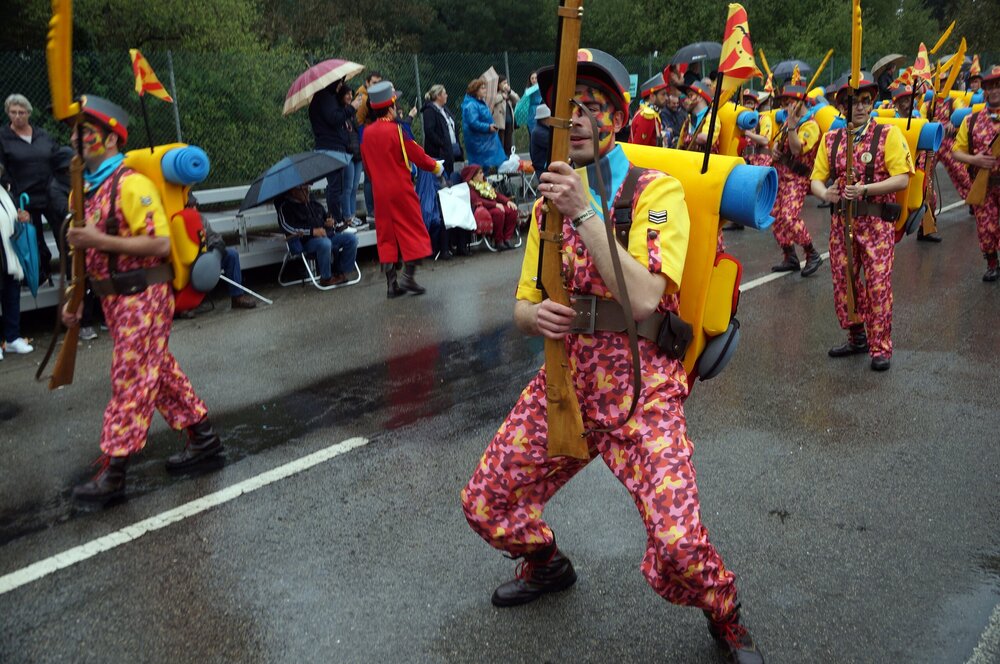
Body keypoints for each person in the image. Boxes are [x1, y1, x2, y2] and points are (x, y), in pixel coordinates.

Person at [460, 48, 764, 664]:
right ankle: (545, 562)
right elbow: (523, 303)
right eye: (562, 107)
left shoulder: (657, 192)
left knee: (679, 543)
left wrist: (585, 210)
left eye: (588, 106)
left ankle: (724, 614)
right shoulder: (546, 206)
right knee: (485, 503)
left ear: (618, 119)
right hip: (565, 383)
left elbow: (648, 295)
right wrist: (533, 317)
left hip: (641, 388)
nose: (572, 118)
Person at [59, 95, 224, 502]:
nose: (77, 139)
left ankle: (114, 472)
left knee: (130, 377)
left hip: (144, 295)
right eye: (75, 132)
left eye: (86, 132)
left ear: (112, 139)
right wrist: (75, 300)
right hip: (113, 299)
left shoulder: (132, 185)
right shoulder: (82, 191)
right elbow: (83, 256)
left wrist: (97, 239)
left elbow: (160, 245)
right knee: (158, 369)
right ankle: (204, 438)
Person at [811, 73, 914, 371]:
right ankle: (857, 337)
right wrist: (826, 193)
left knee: (878, 286)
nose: (859, 106)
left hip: (876, 224)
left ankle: (880, 346)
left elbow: (902, 178)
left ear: (872, 103)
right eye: (853, 101)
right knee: (845, 283)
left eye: (865, 100)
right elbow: (816, 179)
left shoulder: (887, 134)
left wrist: (866, 189)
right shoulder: (831, 139)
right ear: (842, 106)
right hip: (842, 223)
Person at [360, 81, 445, 297]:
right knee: (414, 230)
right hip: (400, 189)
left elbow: (367, 167)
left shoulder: (366, 134)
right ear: (390, 107)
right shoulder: (397, 130)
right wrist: (435, 166)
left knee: (386, 235)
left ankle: (392, 284)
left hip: (380, 192)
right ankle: (408, 277)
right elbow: (416, 154)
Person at [0, 94, 67, 285]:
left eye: (21, 112)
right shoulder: (3, 137)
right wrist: (10, 191)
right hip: (23, 197)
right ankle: (40, 276)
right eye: (13, 112)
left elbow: (57, 158)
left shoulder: (42, 135)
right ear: (8, 113)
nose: (17, 116)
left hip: (50, 194)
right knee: (34, 241)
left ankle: (70, 273)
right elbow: (2, 169)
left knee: (63, 234)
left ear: (29, 113)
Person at [952, 65, 1000, 282]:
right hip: (983, 185)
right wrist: (975, 160)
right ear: (984, 90)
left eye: (998, 85)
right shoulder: (970, 121)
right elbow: (956, 152)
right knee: (986, 228)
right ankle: (992, 263)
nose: (995, 90)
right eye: (990, 86)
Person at [769, 84, 823, 276]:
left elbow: (796, 149)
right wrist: (775, 149)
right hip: (780, 175)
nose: (786, 107)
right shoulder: (789, 122)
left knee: (788, 217)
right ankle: (789, 255)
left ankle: (811, 252)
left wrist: (792, 125)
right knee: (774, 216)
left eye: (789, 102)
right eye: (784, 103)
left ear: (801, 102)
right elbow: (779, 141)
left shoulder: (810, 125)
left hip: (796, 179)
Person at [275, 184, 358, 287]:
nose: (307, 192)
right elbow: (288, 227)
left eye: (308, 188)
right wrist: (312, 231)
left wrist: (330, 222)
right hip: (307, 241)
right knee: (325, 243)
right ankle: (326, 278)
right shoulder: (286, 208)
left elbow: (326, 217)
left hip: (327, 235)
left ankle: (342, 272)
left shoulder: (314, 203)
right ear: (293, 192)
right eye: (303, 189)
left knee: (352, 239)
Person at [309, 80, 362, 229]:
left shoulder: (325, 98)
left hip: (335, 147)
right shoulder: (325, 98)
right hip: (331, 148)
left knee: (338, 186)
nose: (340, 86)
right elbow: (334, 118)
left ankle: (338, 221)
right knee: (335, 188)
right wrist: (351, 108)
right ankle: (338, 222)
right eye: (339, 83)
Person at [0, 182, 34, 360]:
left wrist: (24, 217)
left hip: (9, 254)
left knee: (11, 294)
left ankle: (12, 337)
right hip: (5, 253)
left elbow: (14, 218)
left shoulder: (5, 193)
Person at [461, 163, 518, 250]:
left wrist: (507, 201)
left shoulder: (484, 184)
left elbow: (496, 195)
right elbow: (477, 201)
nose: (483, 175)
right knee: (498, 213)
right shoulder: (470, 188)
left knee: (512, 210)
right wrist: (495, 204)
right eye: (480, 173)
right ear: (473, 176)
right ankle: (498, 241)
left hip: (494, 206)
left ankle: (507, 238)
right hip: (482, 209)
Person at [356, 70, 383, 227]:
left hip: (375, 138)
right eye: (374, 82)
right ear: (367, 83)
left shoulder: (374, 96)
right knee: (369, 177)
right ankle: (371, 210)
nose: (376, 85)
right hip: (367, 141)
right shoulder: (363, 98)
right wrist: (364, 143)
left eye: (379, 82)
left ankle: (377, 208)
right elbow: (358, 122)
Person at [462, 78, 507, 171]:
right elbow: (473, 123)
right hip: (479, 143)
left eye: (485, 88)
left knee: (491, 167)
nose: (485, 90)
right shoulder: (471, 105)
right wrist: (488, 127)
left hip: (485, 141)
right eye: (482, 88)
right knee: (480, 169)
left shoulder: (480, 103)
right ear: (475, 91)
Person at [630, 72, 668, 146]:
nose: (666, 98)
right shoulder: (647, 116)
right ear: (652, 96)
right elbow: (640, 148)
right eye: (663, 94)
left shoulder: (647, 111)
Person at [491, 76, 520, 156]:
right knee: (500, 143)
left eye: (506, 83)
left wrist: (509, 91)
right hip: (500, 123)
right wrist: (501, 96)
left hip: (509, 121)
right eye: (504, 83)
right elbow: (492, 102)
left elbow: (517, 100)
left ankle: (508, 158)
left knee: (508, 144)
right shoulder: (494, 93)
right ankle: (500, 160)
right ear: (499, 84)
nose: (505, 85)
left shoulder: (508, 93)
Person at [529, 104, 552, 176]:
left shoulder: (541, 129)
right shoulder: (539, 132)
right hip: (542, 169)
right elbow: (554, 144)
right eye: (549, 118)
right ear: (544, 119)